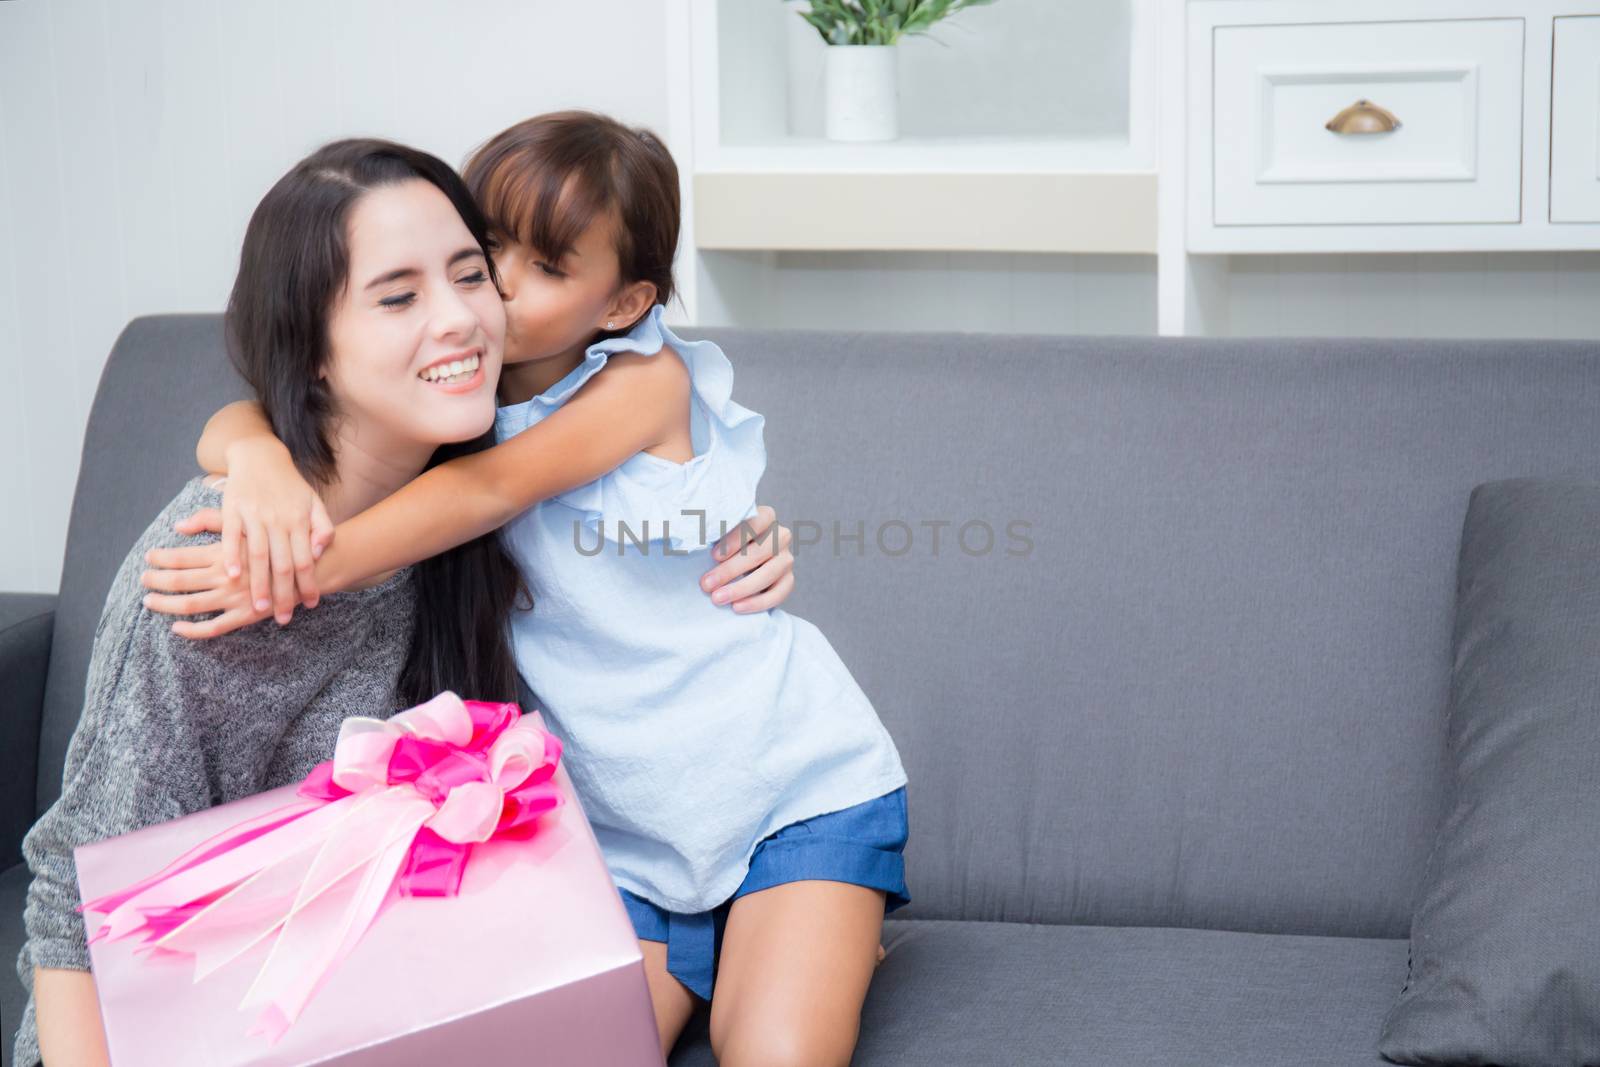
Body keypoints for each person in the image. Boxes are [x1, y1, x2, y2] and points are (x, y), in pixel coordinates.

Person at [143, 110, 910, 1067]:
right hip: (619, 831)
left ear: (625, 303)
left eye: (546, 267)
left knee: (774, 1050)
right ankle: (765, 944)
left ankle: (819, 926)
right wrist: (256, 458)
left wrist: (298, 567)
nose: (496, 285)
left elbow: (493, 489)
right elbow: (260, 405)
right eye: (487, 246)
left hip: (781, 787)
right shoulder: (453, 389)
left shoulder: (643, 383)